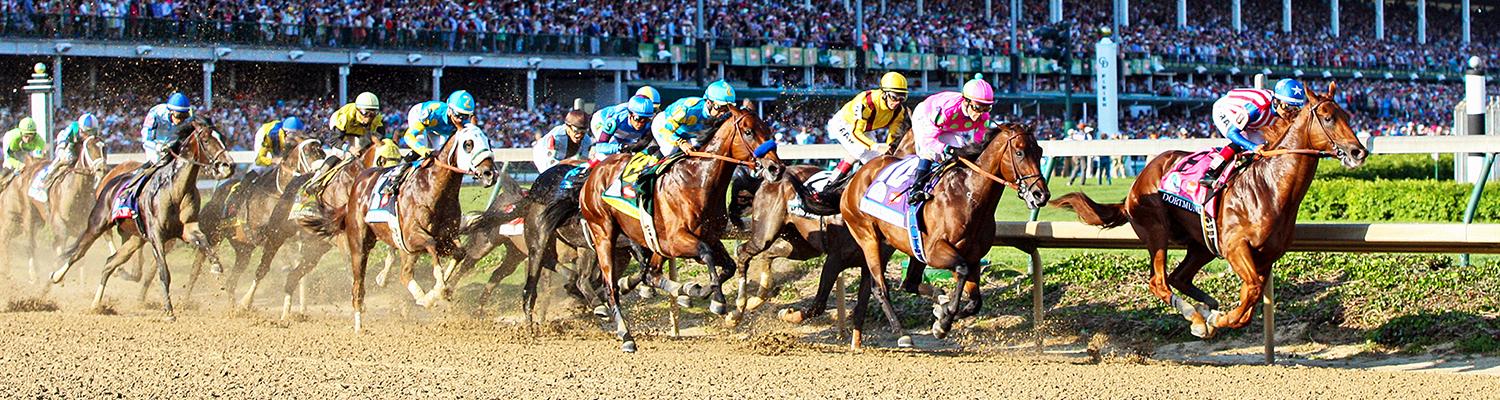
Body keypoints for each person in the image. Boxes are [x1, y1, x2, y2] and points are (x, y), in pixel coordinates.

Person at [1201, 78, 1306, 187]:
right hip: (1226, 111)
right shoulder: (1257, 106)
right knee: (1243, 140)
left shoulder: (1282, 110)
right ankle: (1211, 172)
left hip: (1251, 122)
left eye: (1295, 108)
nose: (1289, 112)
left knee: (1265, 148)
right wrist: (1252, 147)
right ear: (1276, 101)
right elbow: (1232, 133)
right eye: (1287, 107)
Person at [907, 78, 994, 204]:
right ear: (966, 102)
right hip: (926, 117)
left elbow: (978, 143)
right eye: (978, 107)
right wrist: (945, 148)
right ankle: (916, 189)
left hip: (950, 125)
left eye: (987, 108)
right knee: (930, 152)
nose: (981, 113)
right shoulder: (948, 110)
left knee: (961, 147)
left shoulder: (983, 117)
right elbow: (929, 139)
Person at [383, 90, 476, 195]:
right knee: (421, 146)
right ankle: (394, 180)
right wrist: (425, 151)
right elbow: (408, 136)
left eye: (465, 116)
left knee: (443, 155)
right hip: (419, 116)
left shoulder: (466, 122)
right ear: (450, 110)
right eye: (458, 115)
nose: (460, 120)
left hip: (437, 129)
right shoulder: (432, 112)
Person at [824, 72, 910, 185]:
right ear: (884, 93)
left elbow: (892, 136)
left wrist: (890, 148)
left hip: (866, 129)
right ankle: (831, 183)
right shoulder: (866, 102)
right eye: (894, 97)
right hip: (844, 124)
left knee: (877, 161)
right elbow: (855, 133)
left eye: (901, 99)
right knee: (860, 150)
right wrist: (876, 146)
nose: (897, 103)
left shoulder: (899, 112)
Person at [116, 93, 193, 216]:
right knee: (157, 162)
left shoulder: (188, 118)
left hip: (174, 146)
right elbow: (146, 137)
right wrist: (158, 147)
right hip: (155, 145)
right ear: (170, 111)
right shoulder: (155, 114)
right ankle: (129, 194)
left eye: (184, 116)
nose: (181, 120)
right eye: (179, 116)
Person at [301, 92, 387, 201]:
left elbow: (379, 138)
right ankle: (315, 182)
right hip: (341, 133)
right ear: (357, 110)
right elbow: (334, 140)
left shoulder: (377, 119)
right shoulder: (344, 116)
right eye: (365, 113)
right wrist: (349, 148)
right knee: (340, 155)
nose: (368, 118)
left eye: (372, 114)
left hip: (360, 133)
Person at [651, 80, 736, 158]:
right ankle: (648, 169)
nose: (723, 113)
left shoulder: (724, 116)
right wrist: (681, 143)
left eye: (727, 109)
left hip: (688, 134)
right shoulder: (689, 109)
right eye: (719, 107)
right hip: (663, 125)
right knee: (670, 149)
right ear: (709, 102)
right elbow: (665, 130)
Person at [39, 113, 99, 190]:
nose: (89, 135)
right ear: (80, 129)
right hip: (67, 143)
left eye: (92, 132)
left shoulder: (93, 134)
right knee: (67, 158)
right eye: (86, 132)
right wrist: (61, 149)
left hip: (81, 145)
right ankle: (47, 176)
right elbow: (63, 138)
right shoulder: (73, 128)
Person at [586, 95, 655, 162]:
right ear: (630, 114)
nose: (641, 124)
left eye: (646, 119)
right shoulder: (615, 120)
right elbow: (600, 147)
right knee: (609, 155)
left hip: (622, 130)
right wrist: (619, 147)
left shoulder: (650, 125)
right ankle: (586, 169)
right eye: (637, 119)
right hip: (601, 121)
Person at [0, 117, 45, 189]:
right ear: (21, 133)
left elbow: (38, 161)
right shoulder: (12, 138)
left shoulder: (40, 142)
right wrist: (19, 165)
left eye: (31, 136)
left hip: (25, 150)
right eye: (26, 136)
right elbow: (9, 158)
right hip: (13, 147)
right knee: (9, 167)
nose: (28, 139)